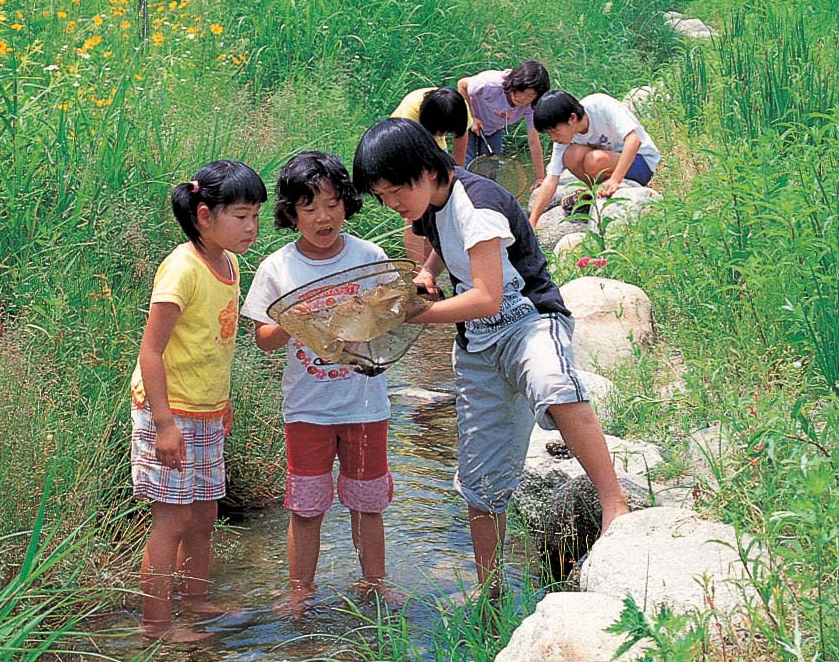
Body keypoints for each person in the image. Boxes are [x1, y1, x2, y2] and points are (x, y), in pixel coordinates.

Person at [352, 119, 630, 597]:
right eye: (381, 195)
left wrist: (410, 315)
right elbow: (444, 242)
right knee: (479, 476)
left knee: (552, 384)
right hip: (478, 344)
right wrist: (426, 273)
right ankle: (492, 585)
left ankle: (613, 503)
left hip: (530, 322)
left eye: (395, 189)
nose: (392, 203)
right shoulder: (432, 205)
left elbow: (486, 297)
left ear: (425, 169)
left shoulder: (478, 203)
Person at [240, 151, 397, 615]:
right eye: (308, 207)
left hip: (366, 404)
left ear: (347, 204)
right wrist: (291, 321)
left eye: (331, 204)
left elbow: (393, 316)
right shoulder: (277, 268)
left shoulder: (369, 257)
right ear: (291, 213)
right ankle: (300, 593)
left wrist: (372, 311)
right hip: (307, 408)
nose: (322, 217)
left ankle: (374, 584)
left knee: (368, 502)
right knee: (306, 506)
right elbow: (264, 339)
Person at [129, 160, 266, 642]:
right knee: (173, 519)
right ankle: (156, 626)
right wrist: (164, 423)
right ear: (204, 216)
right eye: (241, 216)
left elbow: (214, 344)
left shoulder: (229, 264)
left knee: (205, 513)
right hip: (169, 412)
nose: (252, 227)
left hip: (206, 411)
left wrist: (223, 402)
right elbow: (151, 351)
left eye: (256, 216)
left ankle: (195, 601)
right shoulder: (181, 268)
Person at [527, 89, 661, 229]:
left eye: (554, 132)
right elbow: (551, 179)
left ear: (572, 118)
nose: (554, 138)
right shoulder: (564, 137)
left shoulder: (600, 105)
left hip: (641, 162)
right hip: (610, 163)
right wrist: (533, 221)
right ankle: (595, 193)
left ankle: (606, 189)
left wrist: (615, 179)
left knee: (594, 159)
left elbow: (634, 141)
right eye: (549, 134)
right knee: (571, 155)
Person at [391, 86, 473, 265]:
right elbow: (412, 162)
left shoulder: (460, 110)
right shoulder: (409, 115)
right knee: (414, 207)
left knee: (435, 204)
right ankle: (417, 269)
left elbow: (461, 137)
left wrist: (457, 172)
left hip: (432, 134)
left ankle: (430, 266)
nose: (443, 135)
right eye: (440, 132)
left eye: (446, 133)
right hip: (402, 143)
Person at [457, 60, 550, 191]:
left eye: (529, 95)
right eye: (520, 90)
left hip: (494, 129)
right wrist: (472, 117)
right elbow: (462, 85)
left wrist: (540, 178)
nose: (522, 98)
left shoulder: (530, 106)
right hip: (469, 123)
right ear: (514, 83)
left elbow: (534, 141)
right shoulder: (490, 83)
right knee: (465, 164)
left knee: (489, 171)